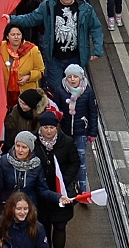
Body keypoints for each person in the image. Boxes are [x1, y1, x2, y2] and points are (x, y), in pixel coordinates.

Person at [3, 0, 105, 91]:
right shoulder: (47, 7)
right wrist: (11, 19)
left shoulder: (85, 9)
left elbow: (96, 28)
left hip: (76, 58)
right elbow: (31, 19)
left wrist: (97, 49)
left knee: (75, 87)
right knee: (54, 88)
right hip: (54, 58)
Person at [32, 112, 79, 248]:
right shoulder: (33, 141)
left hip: (61, 190)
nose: (48, 130)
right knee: (43, 226)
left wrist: (64, 180)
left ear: (57, 127)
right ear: (40, 127)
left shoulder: (67, 142)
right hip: (41, 192)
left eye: (52, 127)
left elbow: (75, 162)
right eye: (45, 127)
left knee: (59, 226)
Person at [0, 133, 69, 214]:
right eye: (18, 146)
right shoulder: (4, 161)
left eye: (24, 147)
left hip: (27, 209)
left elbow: (42, 190)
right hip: (8, 207)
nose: (20, 150)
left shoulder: (36, 165)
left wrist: (58, 197)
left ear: (30, 149)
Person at [50, 64, 98, 194]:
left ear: (80, 78)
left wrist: (92, 132)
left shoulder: (87, 92)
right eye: (69, 76)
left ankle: (83, 189)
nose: (72, 79)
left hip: (81, 130)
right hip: (65, 131)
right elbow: (56, 111)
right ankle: (67, 185)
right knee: (65, 159)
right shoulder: (60, 91)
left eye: (75, 77)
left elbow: (93, 113)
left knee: (81, 160)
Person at [1, 24, 45, 109]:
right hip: (6, 93)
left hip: (26, 93)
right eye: (13, 35)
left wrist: (28, 77)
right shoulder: (1, 47)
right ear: (7, 36)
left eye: (18, 34)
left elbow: (41, 71)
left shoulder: (32, 49)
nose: (16, 37)